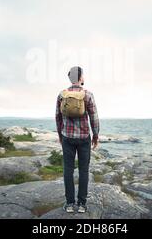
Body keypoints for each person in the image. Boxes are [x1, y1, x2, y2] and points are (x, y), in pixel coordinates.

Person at [55, 66, 99, 213]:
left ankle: (69, 204)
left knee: (68, 170)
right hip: (84, 137)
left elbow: (58, 117)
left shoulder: (62, 95)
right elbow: (94, 117)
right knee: (84, 171)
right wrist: (96, 135)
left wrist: (60, 136)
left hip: (67, 137)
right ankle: (81, 204)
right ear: (80, 78)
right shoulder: (88, 94)